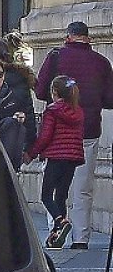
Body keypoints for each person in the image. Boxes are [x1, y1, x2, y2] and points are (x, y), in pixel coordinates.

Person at [34, 21, 113, 249]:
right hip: (87, 131)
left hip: (57, 135)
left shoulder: (56, 57)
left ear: (68, 36)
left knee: (55, 187)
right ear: (88, 38)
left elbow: (40, 91)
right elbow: (109, 99)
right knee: (83, 187)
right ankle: (81, 238)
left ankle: (56, 232)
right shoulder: (101, 62)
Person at [24, 76, 86, 250]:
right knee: (61, 196)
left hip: (56, 156)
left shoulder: (52, 110)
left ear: (54, 92)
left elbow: (45, 137)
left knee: (46, 195)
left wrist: (31, 153)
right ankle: (57, 235)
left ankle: (60, 222)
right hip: (73, 158)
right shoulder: (78, 111)